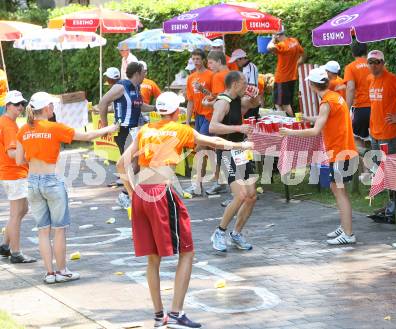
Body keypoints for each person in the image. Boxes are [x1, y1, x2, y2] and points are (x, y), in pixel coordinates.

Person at [116, 91, 253, 329]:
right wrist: (242, 143)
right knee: (187, 251)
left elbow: (121, 165)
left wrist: (131, 193)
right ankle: (177, 313)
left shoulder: (144, 131)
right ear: (177, 111)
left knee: (153, 259)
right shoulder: (181, 130)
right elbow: (215, 141)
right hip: (162, 193)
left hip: (141, 195)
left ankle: (160, 317)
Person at [16, 92, 119, 284]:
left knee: (43, 230)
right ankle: (62, 270)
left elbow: (19, 159)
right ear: (46, 108)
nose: (53, 109)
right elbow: (87, 136)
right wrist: (111, 128)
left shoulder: (23, 130)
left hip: (32, 182)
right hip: (52, 181)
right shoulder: (55, 128)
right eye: (52, 106)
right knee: (59, 229)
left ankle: (49, 274)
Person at [279, 68, 358, 245]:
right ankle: (345, 226)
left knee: (340, 193)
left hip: (339, 152)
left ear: (313, 86)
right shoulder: (334, 97)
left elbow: (316, 130)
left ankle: (348, 233)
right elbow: (327, 118)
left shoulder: (326, 103)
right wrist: (309, 117)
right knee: (337, 189)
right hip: (342, 150)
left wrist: (290, 132)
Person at [209, 71, 260, 252]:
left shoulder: (238, 99)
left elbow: (254, 104)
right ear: (235, 84)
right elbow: (212, 126)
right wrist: (239, 127)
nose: (246, 85)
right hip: (226, 152)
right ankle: (219, 232)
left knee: (252, 196)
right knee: (241, 195)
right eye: (244, 83)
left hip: (240, 151)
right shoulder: (223, 102)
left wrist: (256, 95)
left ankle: (236, 234)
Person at [98, 61, 147, 209]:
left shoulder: (136, 88)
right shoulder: (121, 86)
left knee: (136, 164)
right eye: (144, 72)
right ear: (137, 73)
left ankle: (127, 194)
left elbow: (141, 106)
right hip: (124, 130)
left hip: (134, 130)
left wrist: (158, 107)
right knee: (134, 164)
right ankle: (125, 195)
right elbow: (103, 102)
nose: (146, 74)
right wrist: (105, 125)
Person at [0, 91, 36, 263]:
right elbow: (12, 152)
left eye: (22, 103)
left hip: (13, 173)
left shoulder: (8, 122)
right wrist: (33, 155)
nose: (20, 107)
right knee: (16, 213)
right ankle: (16, 253)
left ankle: (5, 246)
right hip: (13, 173)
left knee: (22, 210)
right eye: (16, 104)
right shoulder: (7, 125)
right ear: (7, 106)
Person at [367, 50, 396, 155]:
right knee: (378, 167)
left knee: (389, 168)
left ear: (382, 63)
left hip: (389, 133)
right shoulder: (369, 79)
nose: (373, 65)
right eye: (370, 62)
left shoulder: (392, 79)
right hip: (374, 133)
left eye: (376, 62)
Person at [184, 49, 214, 196]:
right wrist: (187, 121)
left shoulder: (211, 75)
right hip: (198, 118)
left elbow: (216, 96)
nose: (195, 61)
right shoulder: (191, 78)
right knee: (212, 150)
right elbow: (190, 101)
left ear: (203, 60)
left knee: (201, 149)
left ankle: (198, 185)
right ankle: (218, 182)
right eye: (193, 59)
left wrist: (203, 90)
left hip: (210, 116)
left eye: (198, 59)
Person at [203, 51, 230, 196]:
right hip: (233, 118)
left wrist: (208, 103)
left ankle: (221, 183)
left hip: (221, 119)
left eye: (211, 62)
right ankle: (227, 183)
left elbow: (221, 99)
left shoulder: (218, 76)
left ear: (219, 61)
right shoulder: (233, 74)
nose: (209, 65)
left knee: (220, 150)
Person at [267, 29, 304, 117]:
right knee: (286, 103)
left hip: (281, 79)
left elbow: (269, 47)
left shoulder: (282, 45)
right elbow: (303, 54)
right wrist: (297, 63)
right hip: (292, 77)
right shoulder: (294, 41)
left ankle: (292, 123)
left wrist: (272, 39)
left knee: (281, 104)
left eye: (276, 36)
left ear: (278, 36)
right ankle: (287, 123)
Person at [344, 42, 371, 145]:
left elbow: (350, 88)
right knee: (378, 139)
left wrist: (346, 109)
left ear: (353, 54)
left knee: (357, 140)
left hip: (361, 108)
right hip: (378, 106)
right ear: (366, 51)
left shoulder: (350, 67)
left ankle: (364, 160)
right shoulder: (376, 64)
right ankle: (381, 160)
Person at [229, 48, 260, 118]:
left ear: (241, 58)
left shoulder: (251, 67)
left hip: (251, 103)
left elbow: (252, 89)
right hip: (246, 102)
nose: (236, 63)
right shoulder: (245, 68)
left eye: (236, 61)